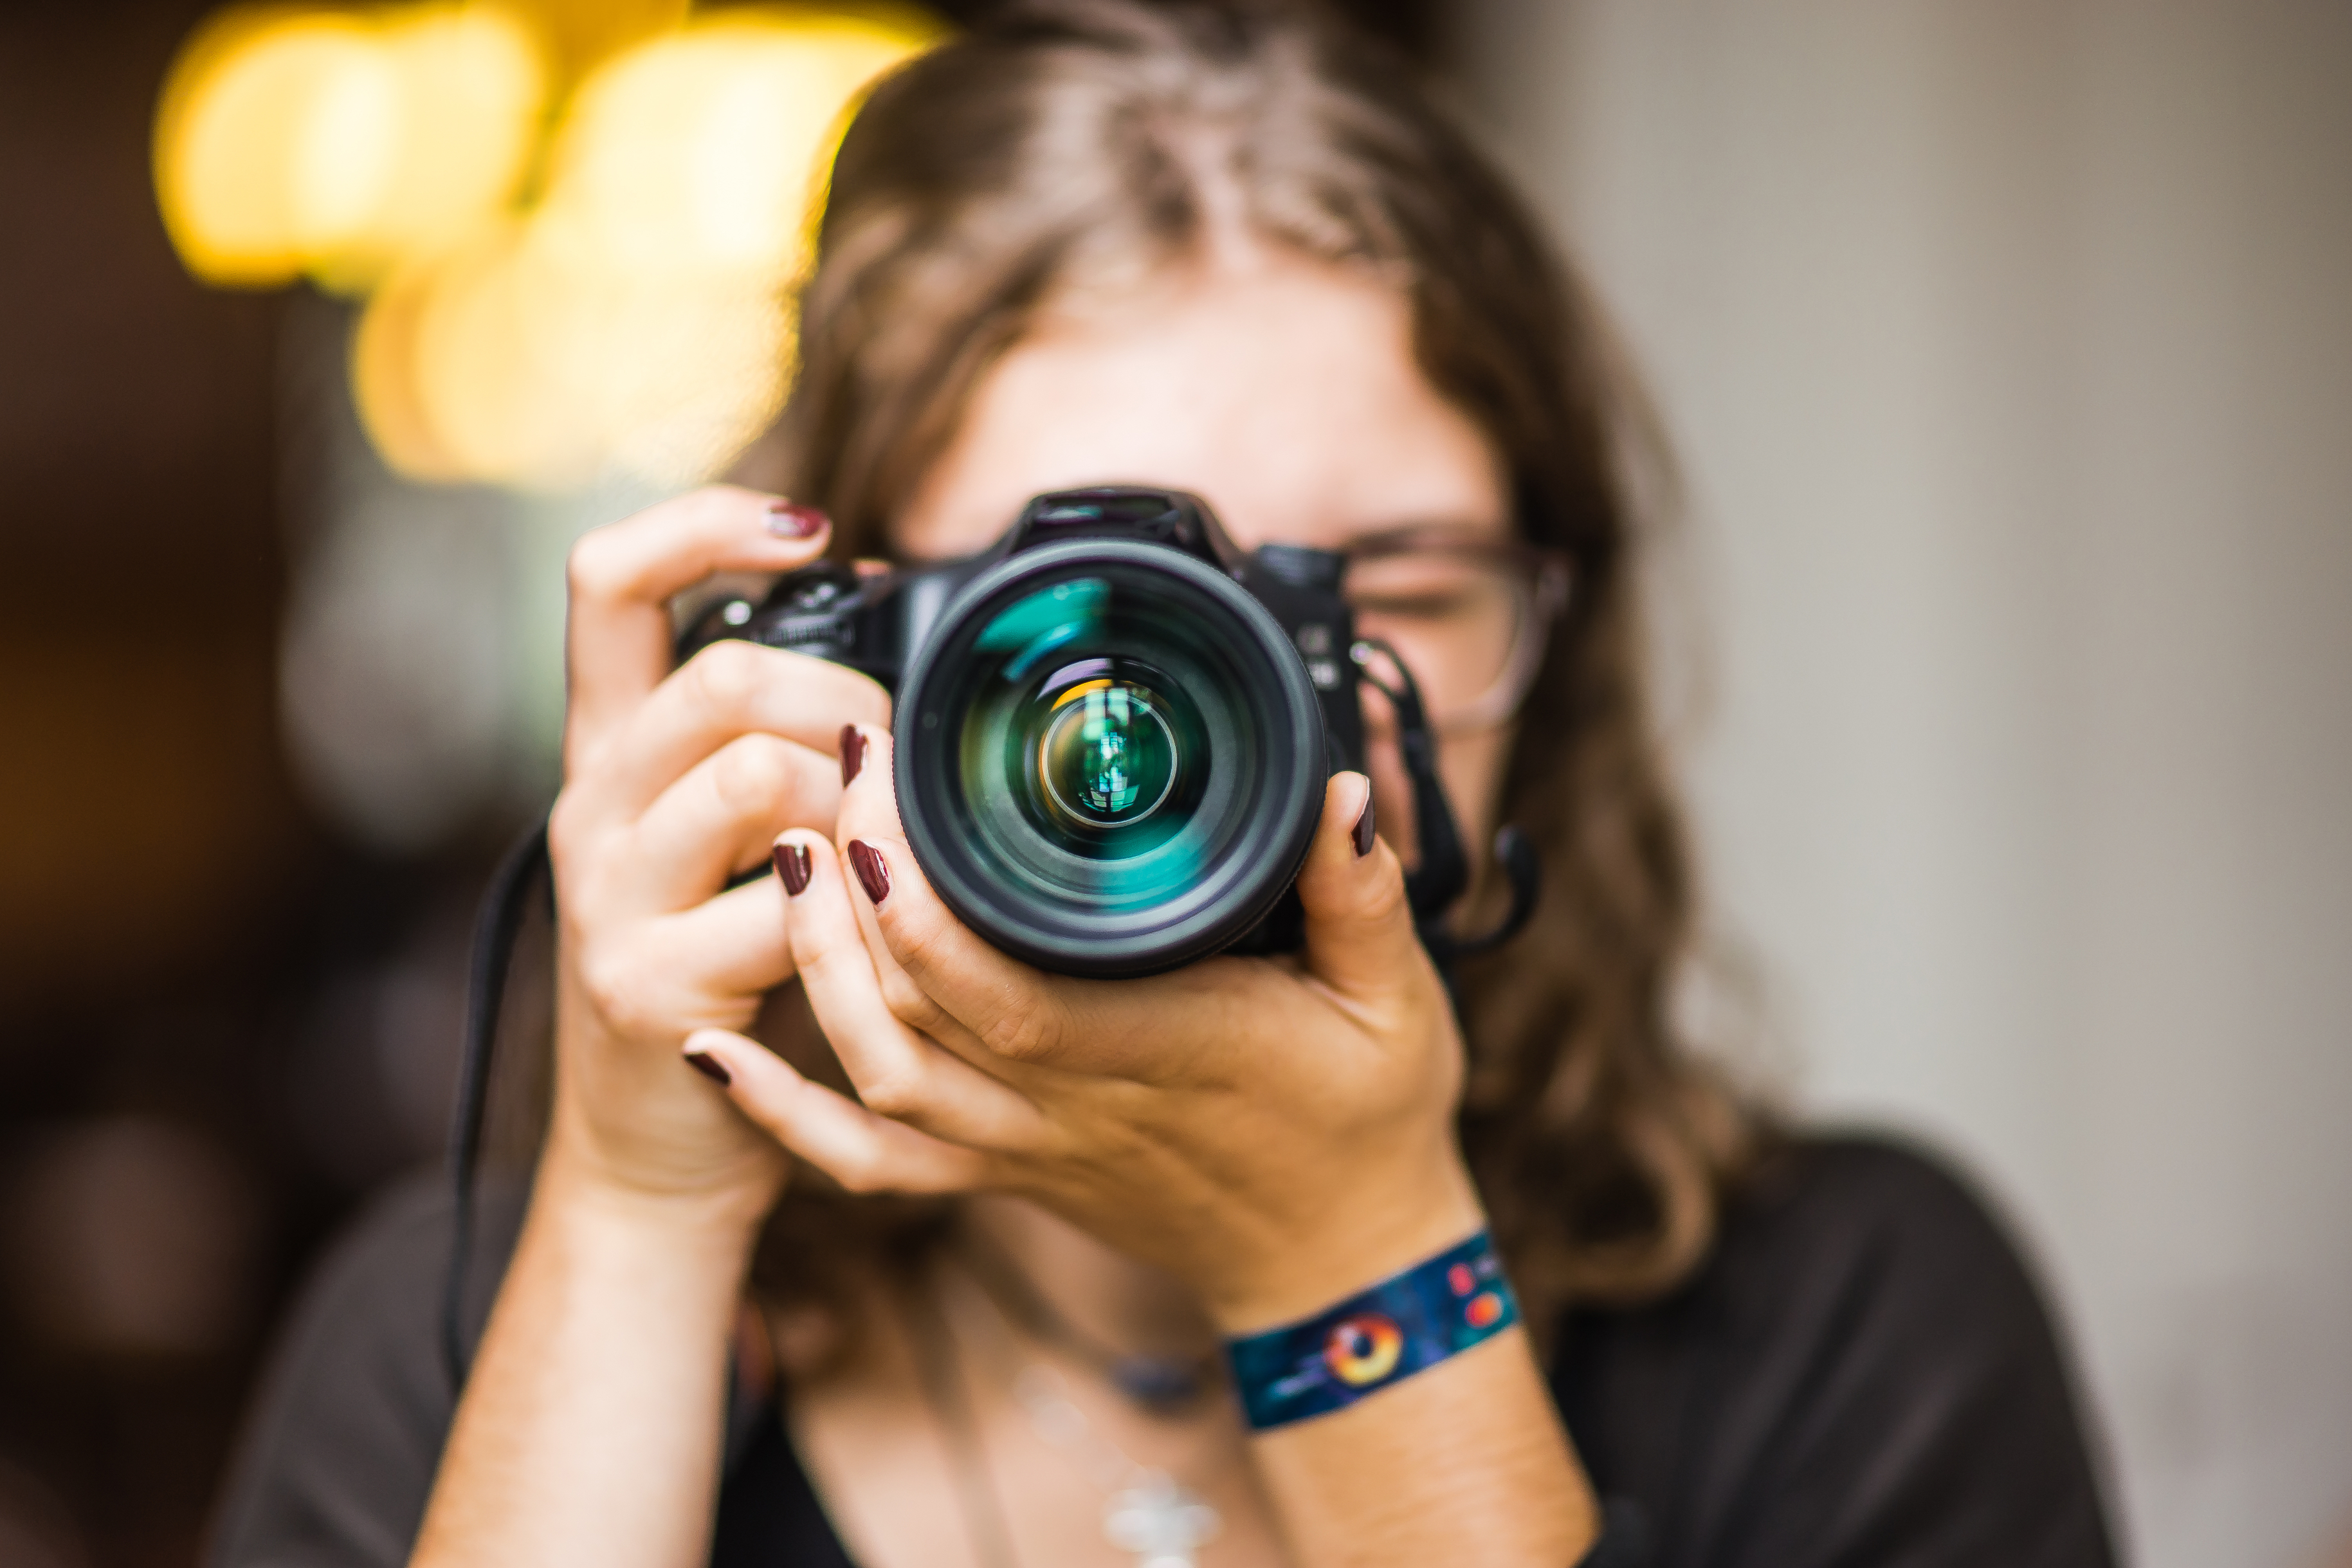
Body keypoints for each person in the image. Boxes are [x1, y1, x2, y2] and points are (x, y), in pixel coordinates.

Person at [210, 3, 2117, 1565]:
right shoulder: (478, 1337)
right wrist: (634, 1219)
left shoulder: (1852, 1324)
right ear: (831, 645)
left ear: (1563, 637)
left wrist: (1355, 1263)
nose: (1249, 705)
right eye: (1090, 609)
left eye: (1386, 588)